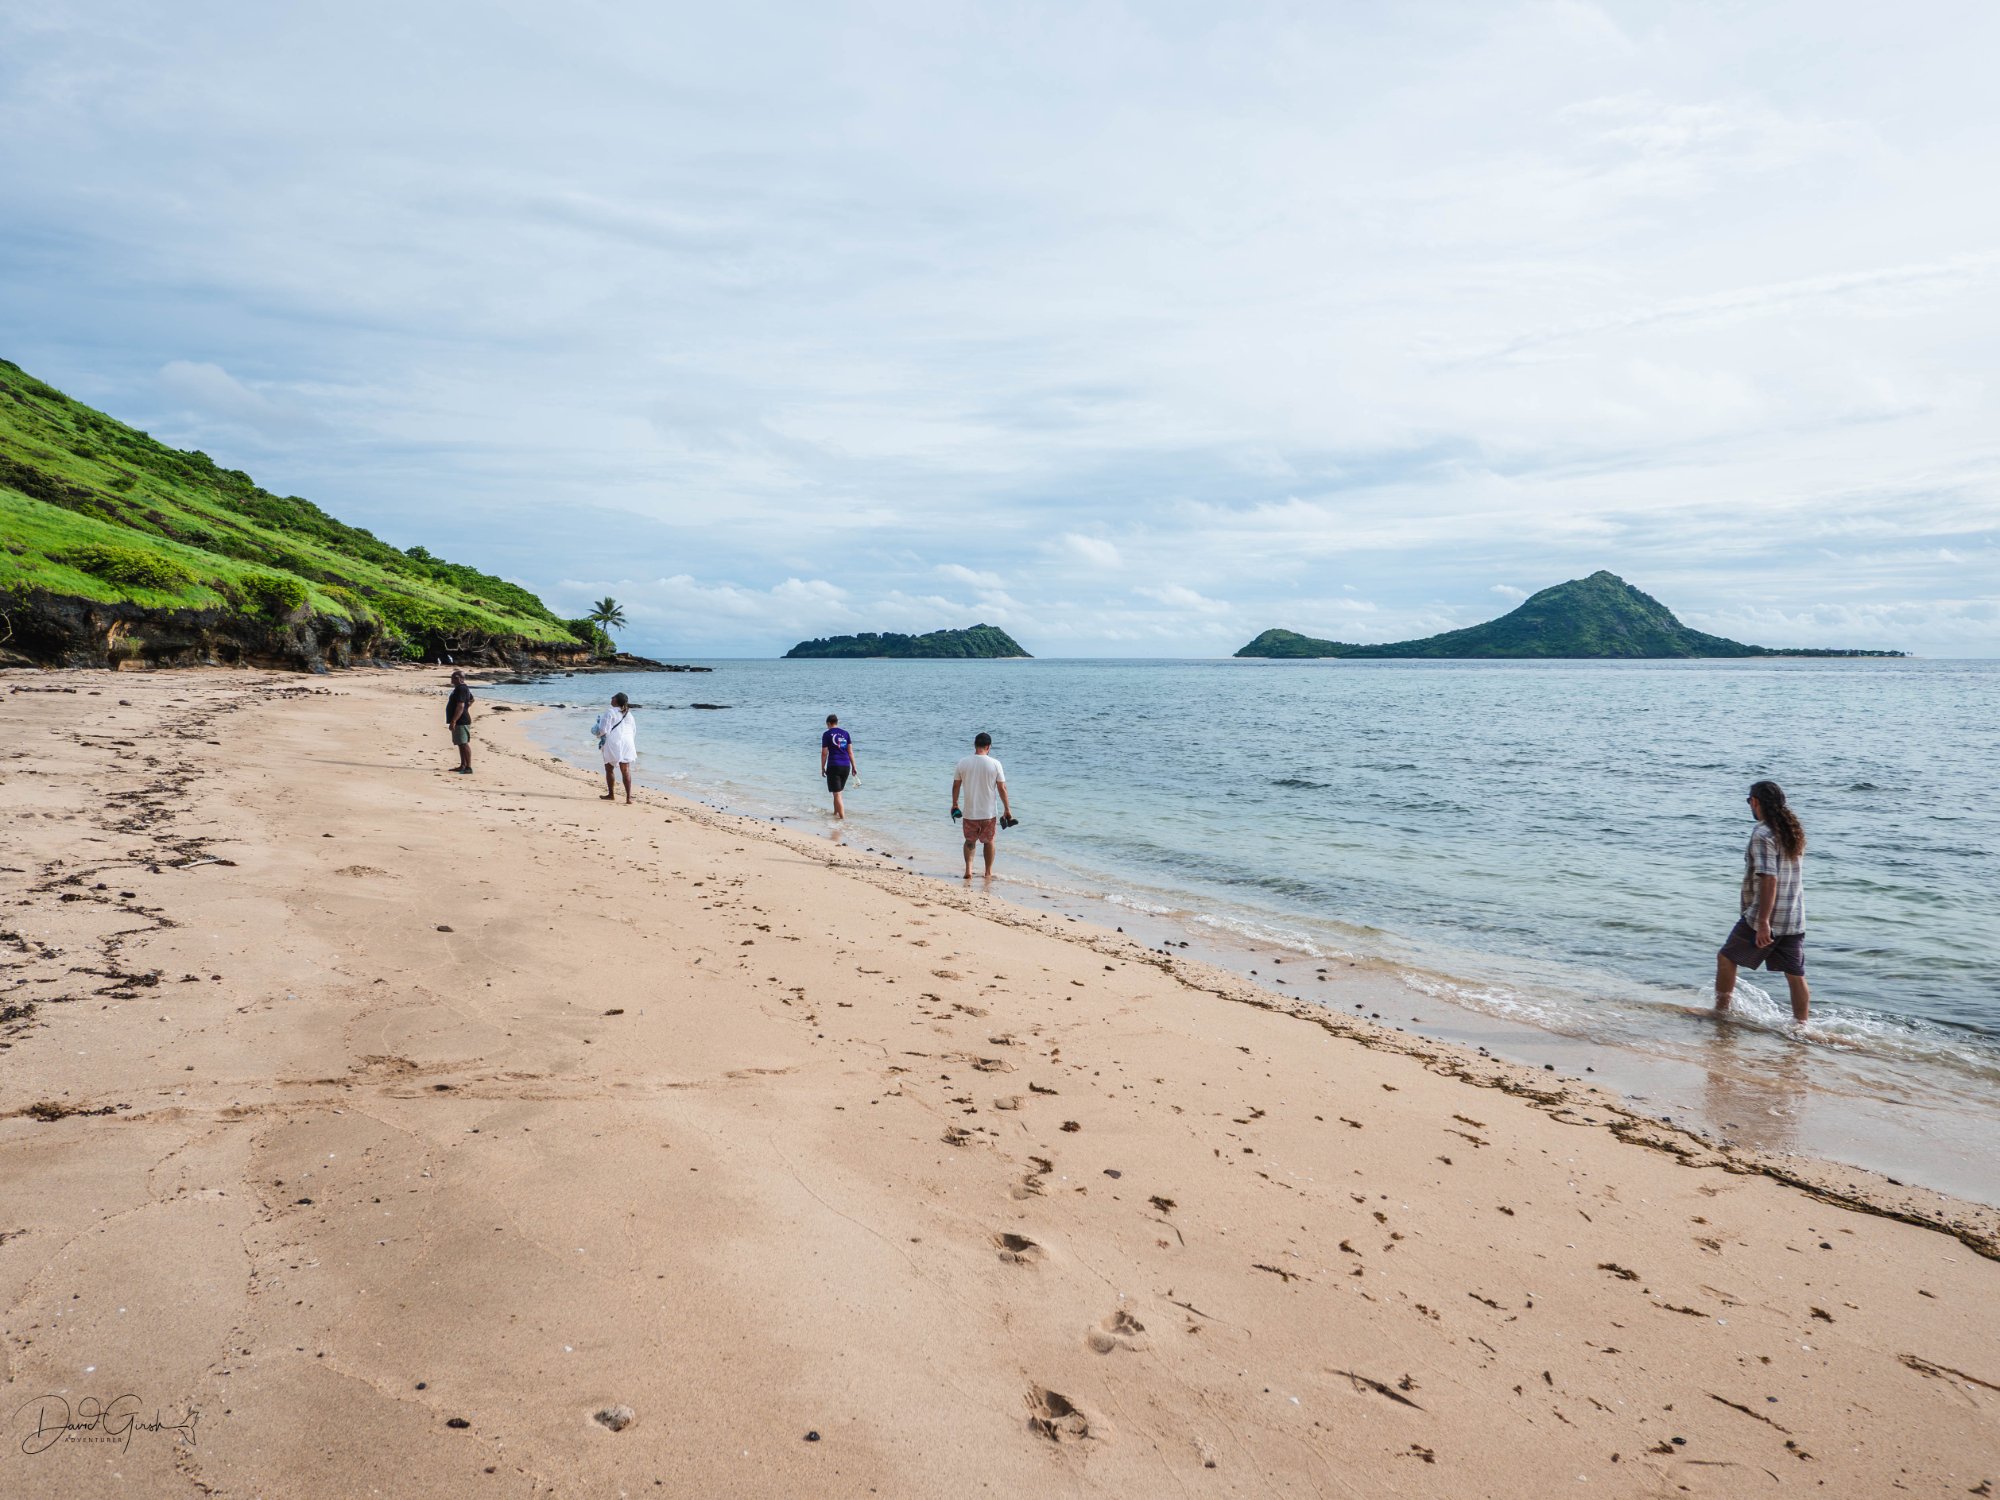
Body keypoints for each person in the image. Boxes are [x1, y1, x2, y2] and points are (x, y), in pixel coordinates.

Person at [1714, 779, 1810, 1024]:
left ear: (1755, 802)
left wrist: (1764, 922)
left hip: (1766, 916)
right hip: (1794, 916)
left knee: (1726, 958)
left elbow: (1769, 879)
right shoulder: (1792, 831)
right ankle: (1801, 1026)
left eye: (1749, 801)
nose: (1750, 806)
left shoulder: (1763, 833)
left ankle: (1720, 1013)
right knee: (1795, 975)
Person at [951, 731, 1014, 880]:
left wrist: (955, 804)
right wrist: (1007, 809)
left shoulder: (963, 762)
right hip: (988, 813)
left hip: (969, 812)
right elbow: (1002, 788)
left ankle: (969, 870)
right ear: (989, 746)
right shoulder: (995, 763)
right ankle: (988, 872)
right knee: (989, 841)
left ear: (975, 745)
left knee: (969, 841)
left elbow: (956, 786)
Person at [592, 692, 637, 803]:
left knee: (609, 768)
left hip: (613, 742)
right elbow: (634, 730)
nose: (611, 698)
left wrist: (597, 735)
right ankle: (628, 798)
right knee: (625, 769)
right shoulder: (629, 714)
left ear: (616, 701)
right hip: (628, 742)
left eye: (613, 697)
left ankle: (611, 794)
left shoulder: (610, 712)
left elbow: (603, 730)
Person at [820, 714, 858, 819]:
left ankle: (842, 820)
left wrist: (822, 767)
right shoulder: (845, 734)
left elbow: (824, 753)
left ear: (828, 723)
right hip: (846, 766)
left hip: (834, 765)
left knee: (837, 794)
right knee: (837, 793)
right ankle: (835, 814)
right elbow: (850, 752)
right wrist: (854, 767)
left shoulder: (827, 734)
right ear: (837, 722)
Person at [444, 669, 474, 774]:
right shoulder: (460, 688)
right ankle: (463, 765)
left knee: (464, 743)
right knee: (460, 743)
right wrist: (466, 708)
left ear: (458, 678)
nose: (451, 679)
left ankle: (468, 767)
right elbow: (471, 700)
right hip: (460, 719)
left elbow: (460, 705)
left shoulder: (461, 688)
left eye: (453, 677)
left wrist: (454, 721)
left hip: (461, 720)